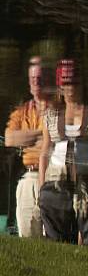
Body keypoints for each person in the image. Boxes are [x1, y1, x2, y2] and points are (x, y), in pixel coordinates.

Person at [38, 59, 88, 245]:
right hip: (56, 180)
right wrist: (42, 186)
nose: (71, 87)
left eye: (74, 82)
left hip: (87, 179)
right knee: (58, 237)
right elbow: (45, 150)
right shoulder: (51, 113)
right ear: (59, 86)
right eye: (66, 83)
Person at [4, 57, 51, 238]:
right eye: (33, 79)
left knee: (52, 235)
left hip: (52, 174)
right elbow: (9, 138)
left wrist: (28, 138)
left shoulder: (57, 107)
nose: (36, 82)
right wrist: (41, 135)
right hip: (29, 175)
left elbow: (55, 141)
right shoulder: (23, 111)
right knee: (27, 233)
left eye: (40, 78)